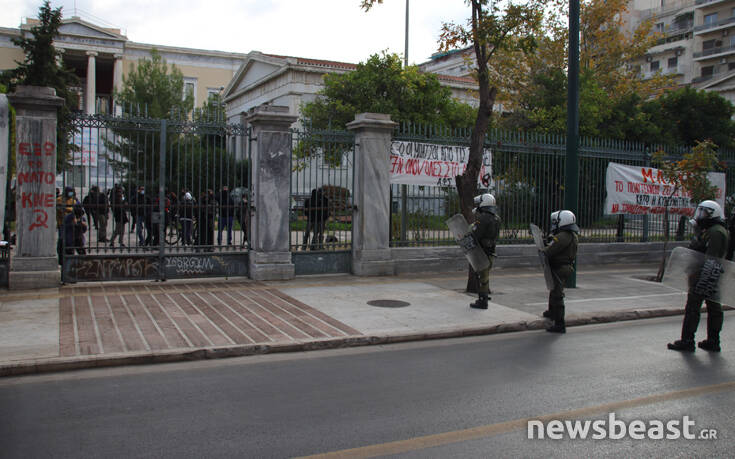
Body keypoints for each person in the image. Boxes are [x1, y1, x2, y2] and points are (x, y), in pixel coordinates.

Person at [668, 200, 730, 353]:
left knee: (693, 308)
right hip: (710, 274)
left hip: (707, 275)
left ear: (712, 214)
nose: (700, 215)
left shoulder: (716, 232)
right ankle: (713, 341)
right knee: (714, 308)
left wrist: (699, 277)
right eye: (700, 211)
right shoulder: (711, 230)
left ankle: (688, 341)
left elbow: (711, 258)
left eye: (704, 212)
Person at [540, 210, 579, 333]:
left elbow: (548, 251)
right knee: (554, 290)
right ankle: (552, 312)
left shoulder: (562, 237)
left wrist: (543, 247)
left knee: (557, 294)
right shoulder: (572, 235)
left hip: (559, 268)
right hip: (565, 267)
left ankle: (560, 323)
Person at [469, 193, 501, 310]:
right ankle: (484, 297)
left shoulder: (483, 218)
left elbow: (476, 234)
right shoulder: (496, 218)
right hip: (491, 251)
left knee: (482, 277)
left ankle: (482, 301)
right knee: (485, 276)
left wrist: (471, 230)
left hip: (482, 251)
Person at [56, 186, 78, 264]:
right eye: (69, 192)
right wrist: (70, 210)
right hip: (62, 223)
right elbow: (60, 209)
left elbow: (76, 211)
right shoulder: (59, 199)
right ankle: (61, 258)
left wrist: (68, 209)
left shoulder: (73, 200)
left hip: (71, 225)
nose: (71, 194)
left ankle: (70, 256)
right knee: (62, 240)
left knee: (71, 241)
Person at [109, 185, 128, 249]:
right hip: (119, 214)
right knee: (117, 229)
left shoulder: (121, 196)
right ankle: (112, 241)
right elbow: (119, 206)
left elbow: (124, 202)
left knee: (122, 230)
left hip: (122, 214)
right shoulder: (116, 197)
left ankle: (120, 242)